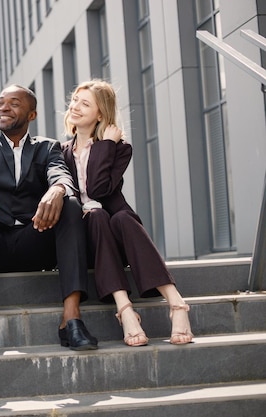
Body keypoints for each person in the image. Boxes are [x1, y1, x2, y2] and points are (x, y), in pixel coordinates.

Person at [0, 84, 98, 356]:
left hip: (35, 240)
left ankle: (71, 318)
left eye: (14, 103)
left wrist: (57, 190)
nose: (3, 108)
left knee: (68, 204)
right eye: (1, 102)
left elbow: (60, 174)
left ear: (31, 115)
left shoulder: (47, 147)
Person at [61, 79, 193, 346]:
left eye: (85, 103)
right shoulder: (60, 152)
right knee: (96, 216)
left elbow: (99, 189)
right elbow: (90, 194)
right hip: (87, 244)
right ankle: (125, 310)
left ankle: (177, 304)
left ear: (101, 114)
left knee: (122, 216)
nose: (75, 106)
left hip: (119, 236)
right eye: (75, 100)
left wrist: (104, 145)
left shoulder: (120, 149)